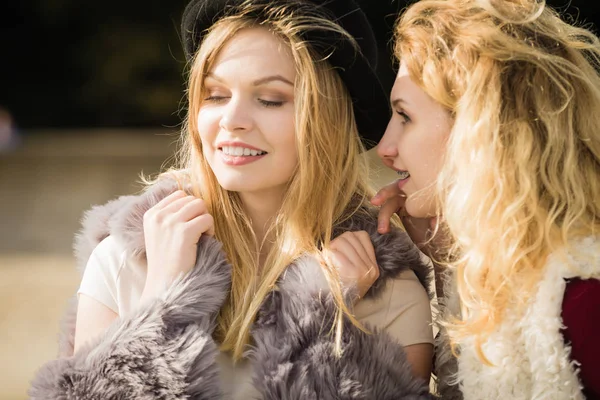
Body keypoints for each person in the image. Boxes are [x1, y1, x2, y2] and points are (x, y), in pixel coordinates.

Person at [29, 0, 436, 398]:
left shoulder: (388, 292)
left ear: (327, 121)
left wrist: (323, 319)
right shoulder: (125, 260)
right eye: (216, 95)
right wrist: (161, 303)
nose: (231, 119)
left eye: (270, 99)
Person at [372, 0, 600, 398]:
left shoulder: (584, 299)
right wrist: (446, 260)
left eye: (405, 116)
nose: (385, 148)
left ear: (478, 131)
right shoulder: (503, 276)